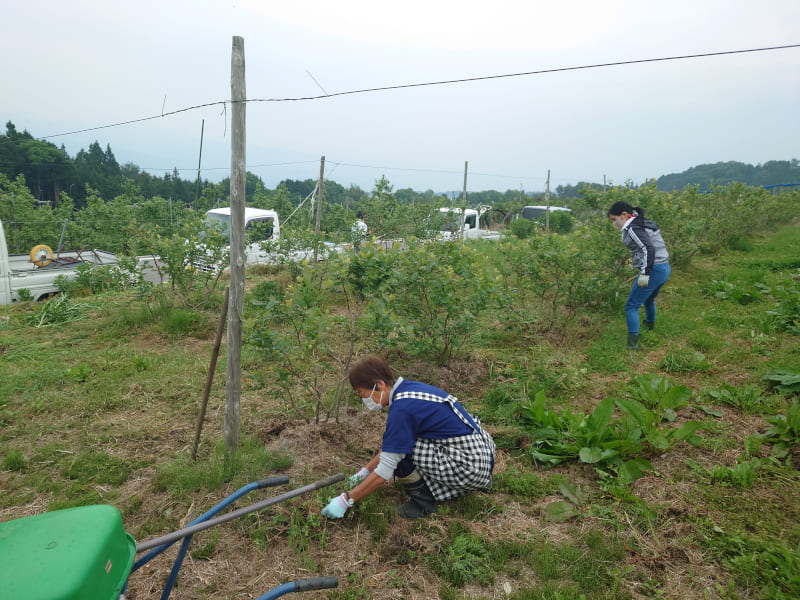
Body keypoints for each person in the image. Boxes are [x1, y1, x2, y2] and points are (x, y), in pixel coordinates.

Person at [321, 355, 495, 520]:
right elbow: (393, 443)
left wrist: (346, 499)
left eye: (362, 393)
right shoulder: (410, 390)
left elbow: (385, 469)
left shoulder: (402, 409)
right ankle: (475, 482)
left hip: (471, 467)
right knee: (399, 442)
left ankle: (423, 504)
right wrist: (364, 472)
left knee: (402, 451)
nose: (363, 399)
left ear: (380, 385)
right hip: (482, 456)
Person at [607, 201, 671, 349]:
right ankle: (649, 327)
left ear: (624, 215)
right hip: (664, 268)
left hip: (653, 271)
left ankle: (632, 344)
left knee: (631, 306)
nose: (613, 224)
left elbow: (648, 248)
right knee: (648, 299)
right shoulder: (642, 223)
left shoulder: (633, 228)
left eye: (613, 220)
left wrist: (644, 274)